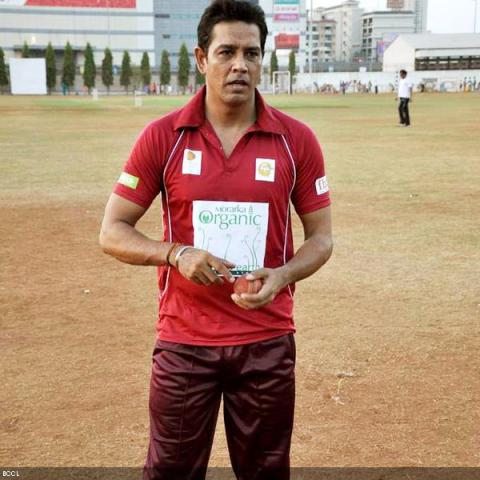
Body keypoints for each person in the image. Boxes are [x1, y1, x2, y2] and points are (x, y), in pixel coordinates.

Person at [99, 1, 333, 479]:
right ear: (202, 58)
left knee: (266, 471)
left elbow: (322, 239)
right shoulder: (163, 136)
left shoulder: (297, 139)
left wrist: (284, 274)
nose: (240, 65)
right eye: (226, 52)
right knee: (170, 470)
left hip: (266, 342)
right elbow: (112, 230)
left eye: (252, 53)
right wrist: (175, 253)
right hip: (185, 342)